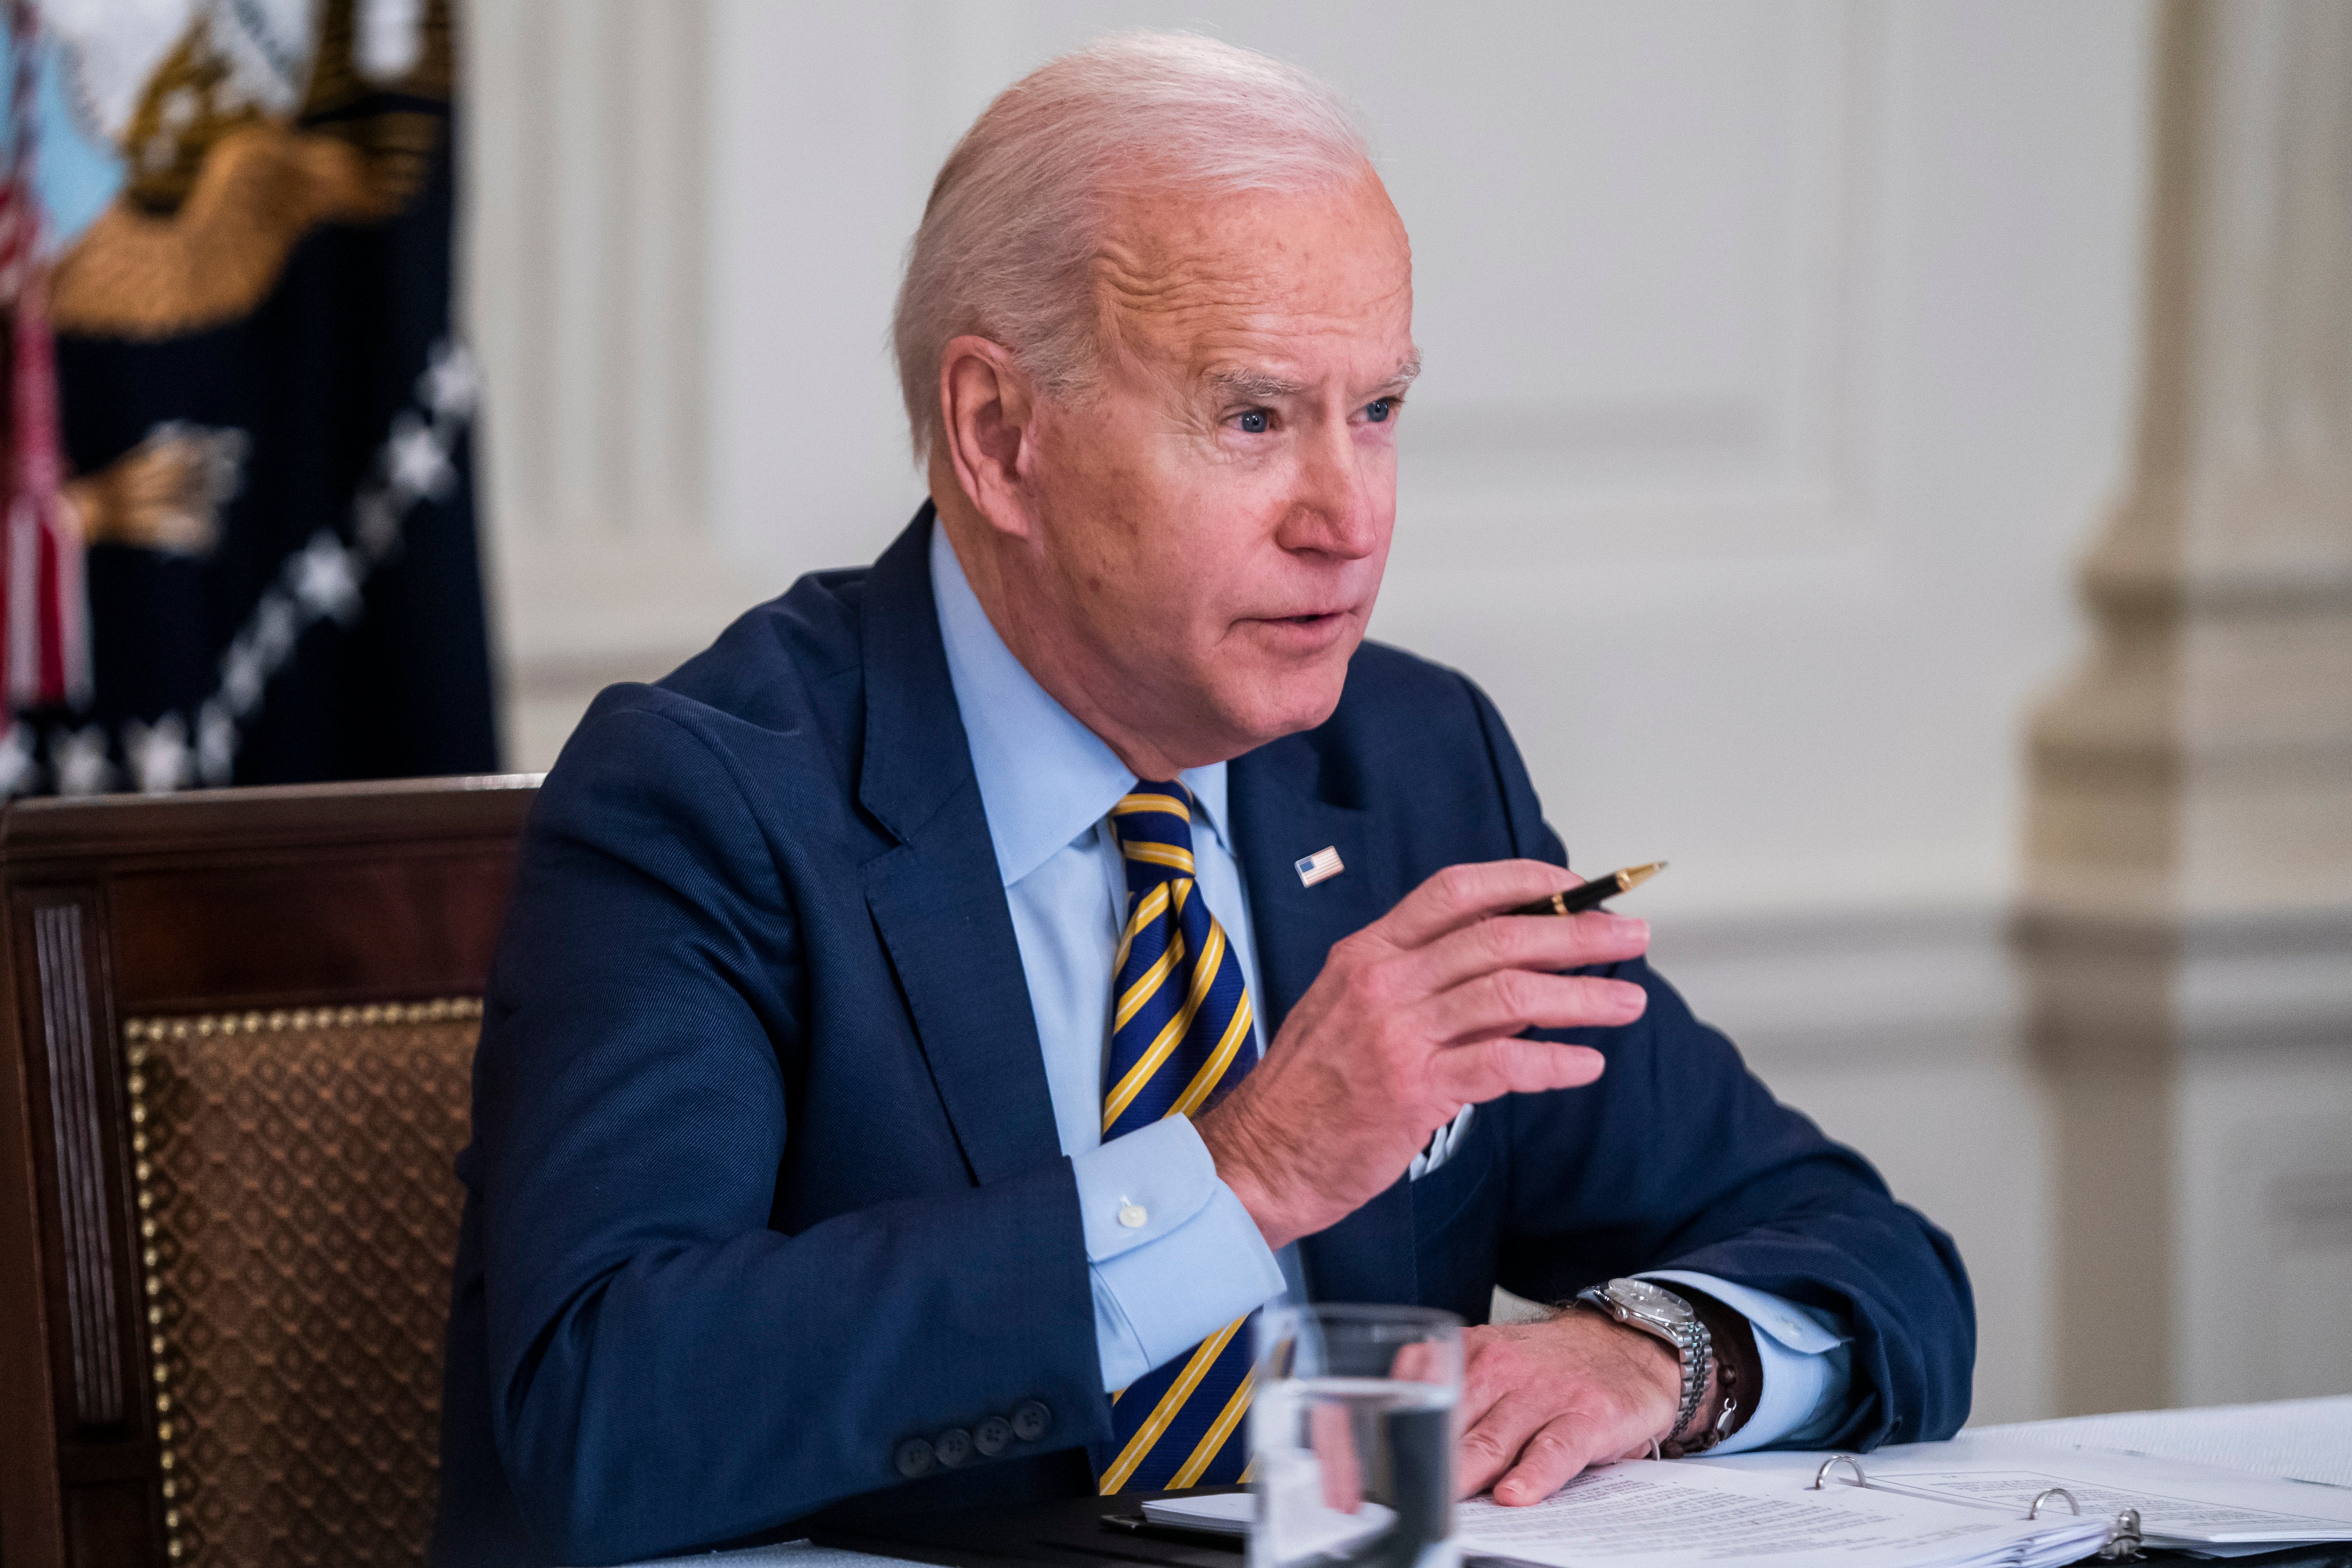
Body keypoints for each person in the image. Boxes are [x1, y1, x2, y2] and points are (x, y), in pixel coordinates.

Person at [433, 33, 1972, 1568]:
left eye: (1376, 412)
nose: (1351, 518)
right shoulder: (711, 795)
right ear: (1000, 437)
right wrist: (1244, 1173)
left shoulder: (1414, 768)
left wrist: (1656, 1356)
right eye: (1253, 419)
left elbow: (1875, 1263)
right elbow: (604, 1414)